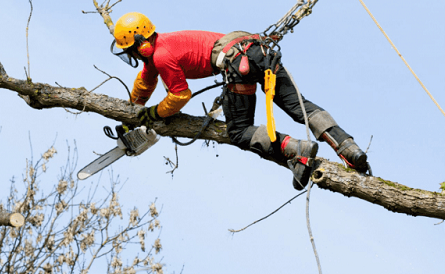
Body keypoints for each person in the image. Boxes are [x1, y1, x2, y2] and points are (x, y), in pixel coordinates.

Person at [111, 12, 369, 189]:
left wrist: (154, 114)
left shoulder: (161, 55)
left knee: (239, 131)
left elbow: (179, 96)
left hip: (238, 65)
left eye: (131, 50)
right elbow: (145, 83)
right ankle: (349, 148)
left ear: (140, 44)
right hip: (257, 50)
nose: (133, 56)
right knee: (298, 106)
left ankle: (297, 150)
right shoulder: (163, 47)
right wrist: (131, 114)